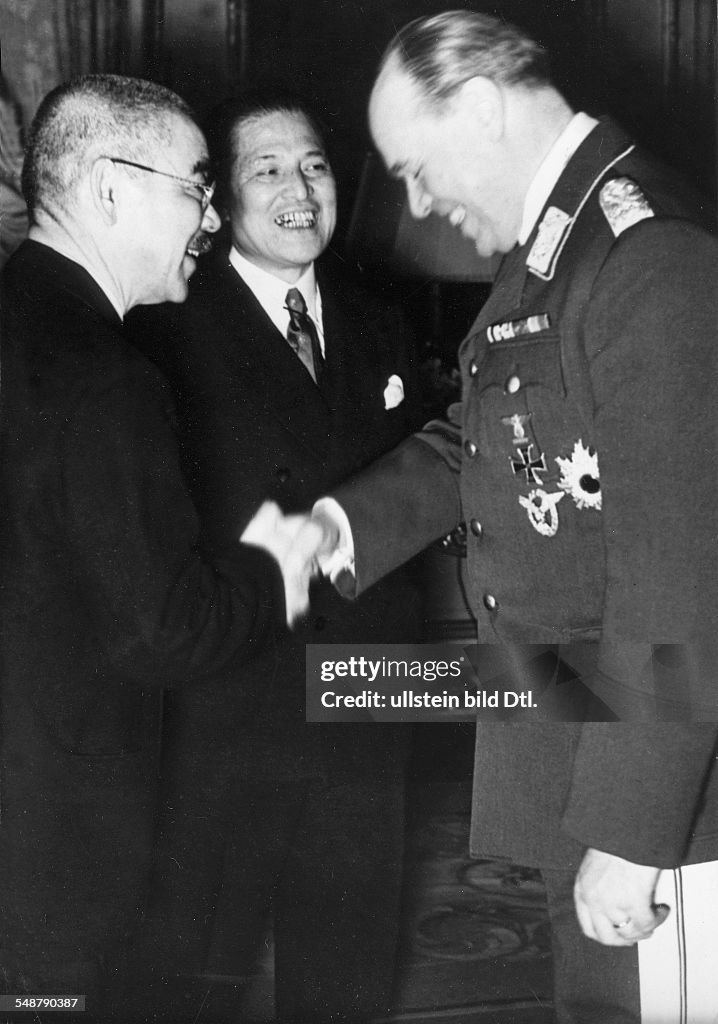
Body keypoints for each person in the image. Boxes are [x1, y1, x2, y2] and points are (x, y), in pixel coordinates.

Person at [280, 11, 718, 1023]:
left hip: (663, 791)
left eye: (417, 168)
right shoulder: (562, 248)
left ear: (478, 109)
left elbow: (681, 573)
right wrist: (342, 525)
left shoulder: (645, 256)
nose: (421, 202)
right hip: (580, 732)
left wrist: (631, 830)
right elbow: (492, 429)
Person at [0, 74, 300, 1023]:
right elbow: (163, 635)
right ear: (109, 189)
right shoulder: (109, 376)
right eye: (197, 187)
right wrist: (275, 569)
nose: (213, 220)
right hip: (61, 831)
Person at [128, 92, 421, 1024]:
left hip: (364, 709)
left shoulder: (385, 320)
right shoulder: (160, 331)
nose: (300, 191)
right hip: (227, 722)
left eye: (316, 166)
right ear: (217, 199)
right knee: (192, 976)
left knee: (347, 976)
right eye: (267, 170)